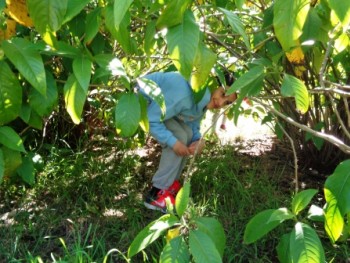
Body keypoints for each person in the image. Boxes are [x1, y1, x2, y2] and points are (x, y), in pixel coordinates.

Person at [138, 71, 237, 213]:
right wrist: (173, 142)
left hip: (156, 110)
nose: (220, 103)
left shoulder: (202, 99)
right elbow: (151, 118)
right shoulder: (184, 93)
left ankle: (169, 183)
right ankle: (156, 193)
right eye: (222, 94)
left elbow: (192, 125)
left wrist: (198, 140)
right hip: (140, 105)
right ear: (213, 84)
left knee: (188, 135)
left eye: (226, 102)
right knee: (178, 136)